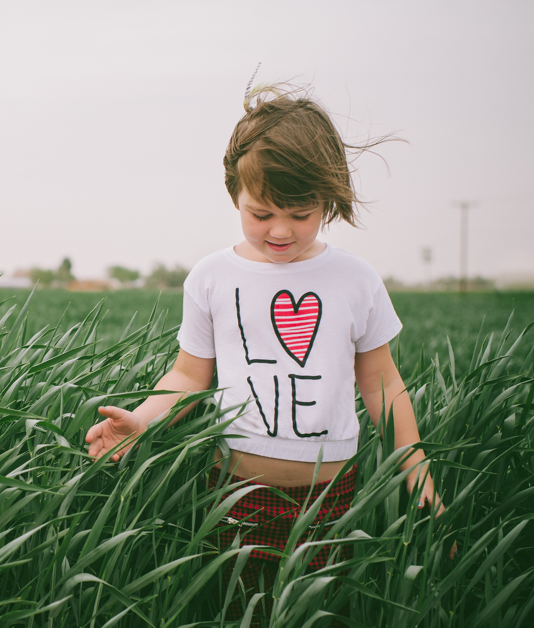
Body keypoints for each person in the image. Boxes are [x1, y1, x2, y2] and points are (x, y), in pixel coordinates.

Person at [84, 82, 454, 620]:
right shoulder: (211, 278)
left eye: (301, 214)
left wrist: (414, 462)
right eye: (261, 213)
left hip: (332, 495)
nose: (280, 230)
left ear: (327, 200)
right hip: (234, 491)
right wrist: (141, 421)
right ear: (234, 193)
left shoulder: (355, 279)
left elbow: (381, 381)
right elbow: (189, 376)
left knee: (318, 611)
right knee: (238, 610)